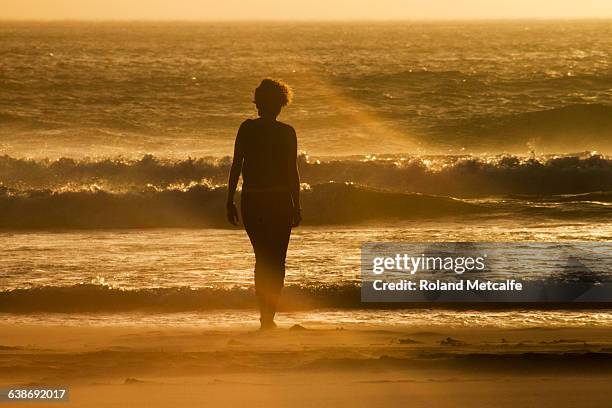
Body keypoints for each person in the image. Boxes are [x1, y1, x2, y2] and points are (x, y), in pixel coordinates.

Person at [226, 79, 302, 330]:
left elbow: (237, 165)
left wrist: (229, 200)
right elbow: (292, 172)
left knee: (262, 258)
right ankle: (269, 316)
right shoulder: (287, 132)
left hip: (253, 200)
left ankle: (264, 317)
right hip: (279, 200)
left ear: (258, 102)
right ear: (281, 104)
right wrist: (297, 204)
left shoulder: (246, 129)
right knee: (277, 260)